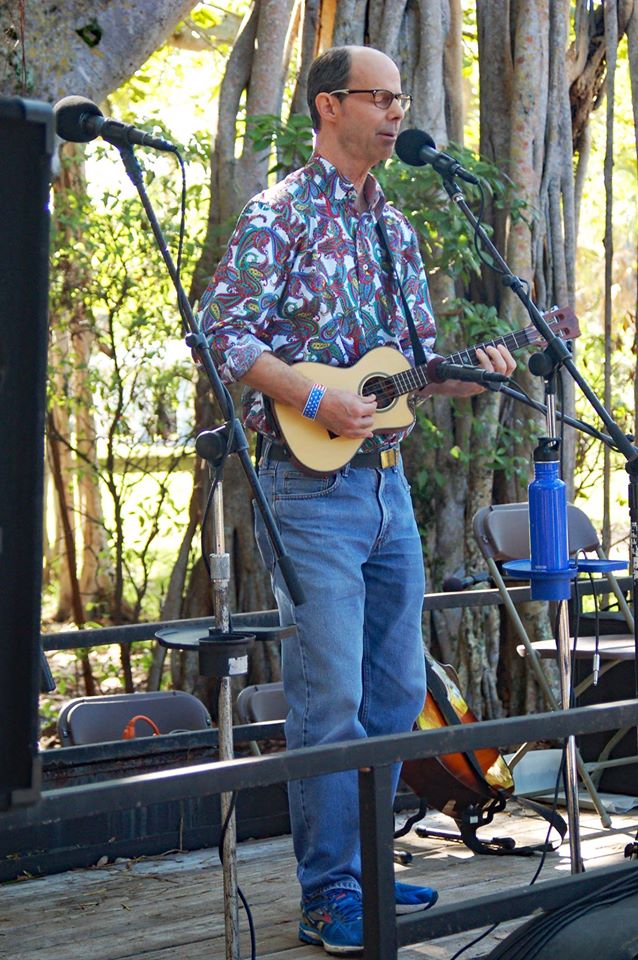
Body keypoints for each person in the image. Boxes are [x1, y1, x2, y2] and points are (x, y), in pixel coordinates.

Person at [199, 44, 516, 956]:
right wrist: (308, 397)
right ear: (328, 105)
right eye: (380, 98)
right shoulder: (280, 211)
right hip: (308, 487)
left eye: (400, 98)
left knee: (394, 688)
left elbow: (408, 373)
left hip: (385, 491)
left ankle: (369, 868)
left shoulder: (397, 230)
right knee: (328, 694)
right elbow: (221, 329)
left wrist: (469, 374)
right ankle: (327, 892)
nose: (395, 112)